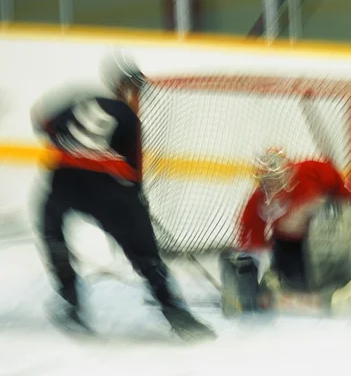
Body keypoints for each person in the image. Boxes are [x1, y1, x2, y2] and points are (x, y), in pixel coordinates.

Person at [30, 50, 216, 340]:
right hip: (110, 189)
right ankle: (175, 312)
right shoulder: (129, 117)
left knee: (53, 236)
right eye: (134, 88)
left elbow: (41, 121)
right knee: (145, 255)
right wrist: (136, 204)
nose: (137, 94)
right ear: (123, 87)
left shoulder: (81, 99)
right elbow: (135, 167)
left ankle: (70, 303)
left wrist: (65, 142)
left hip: (64, 181)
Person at [218, 147, 351, 315]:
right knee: (295, 275)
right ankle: (313, 286)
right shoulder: (257, 204)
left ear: (289, 171)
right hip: (292, 248)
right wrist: (246, 275)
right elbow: (252, 243)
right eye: (267, 181)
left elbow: (350, 192)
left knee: (325, 217)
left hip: (335, 235)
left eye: (276, 178)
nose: (272, 184)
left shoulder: (313, 171)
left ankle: (348, 271)